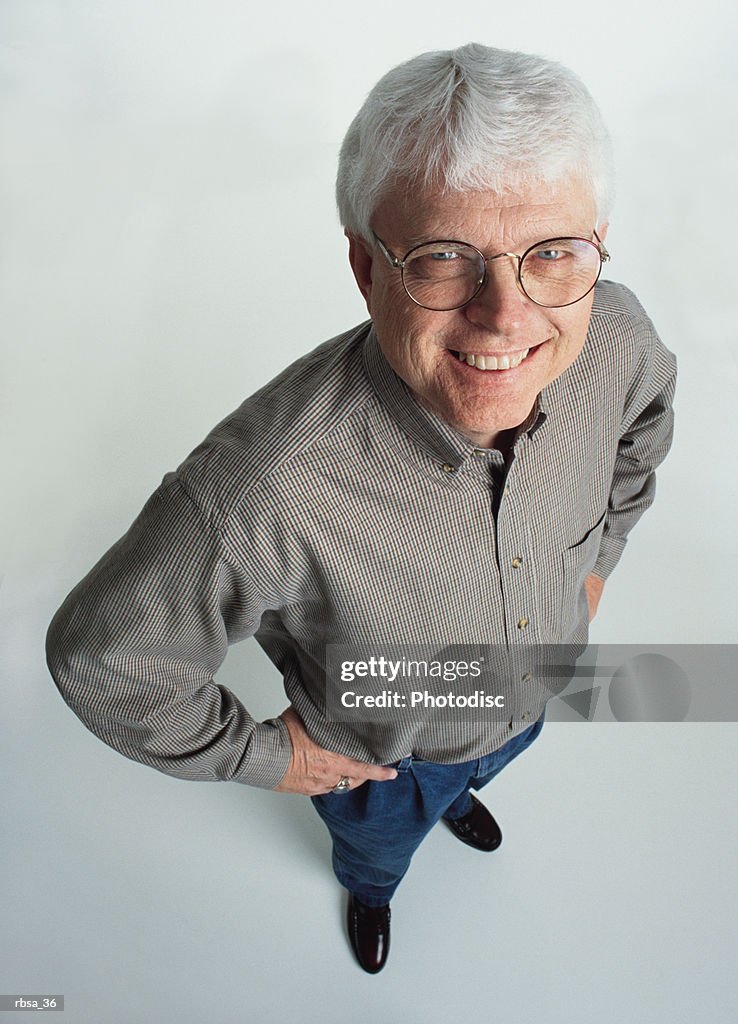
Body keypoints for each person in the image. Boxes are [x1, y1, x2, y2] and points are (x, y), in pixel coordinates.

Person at [46, 42, 677, 974]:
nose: (506, 315)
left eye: (551, 252)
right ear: (365, 265)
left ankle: (469, 786)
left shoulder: (616, 333)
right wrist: (265, 759)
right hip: (382, 762)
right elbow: (104, 663)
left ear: (594, 242)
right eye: (443, 257)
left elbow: (644, 431)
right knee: (379, 849)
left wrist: (594, 567)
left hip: (534, 695)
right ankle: (374, 884)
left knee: (499, 750)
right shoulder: (259, 486)